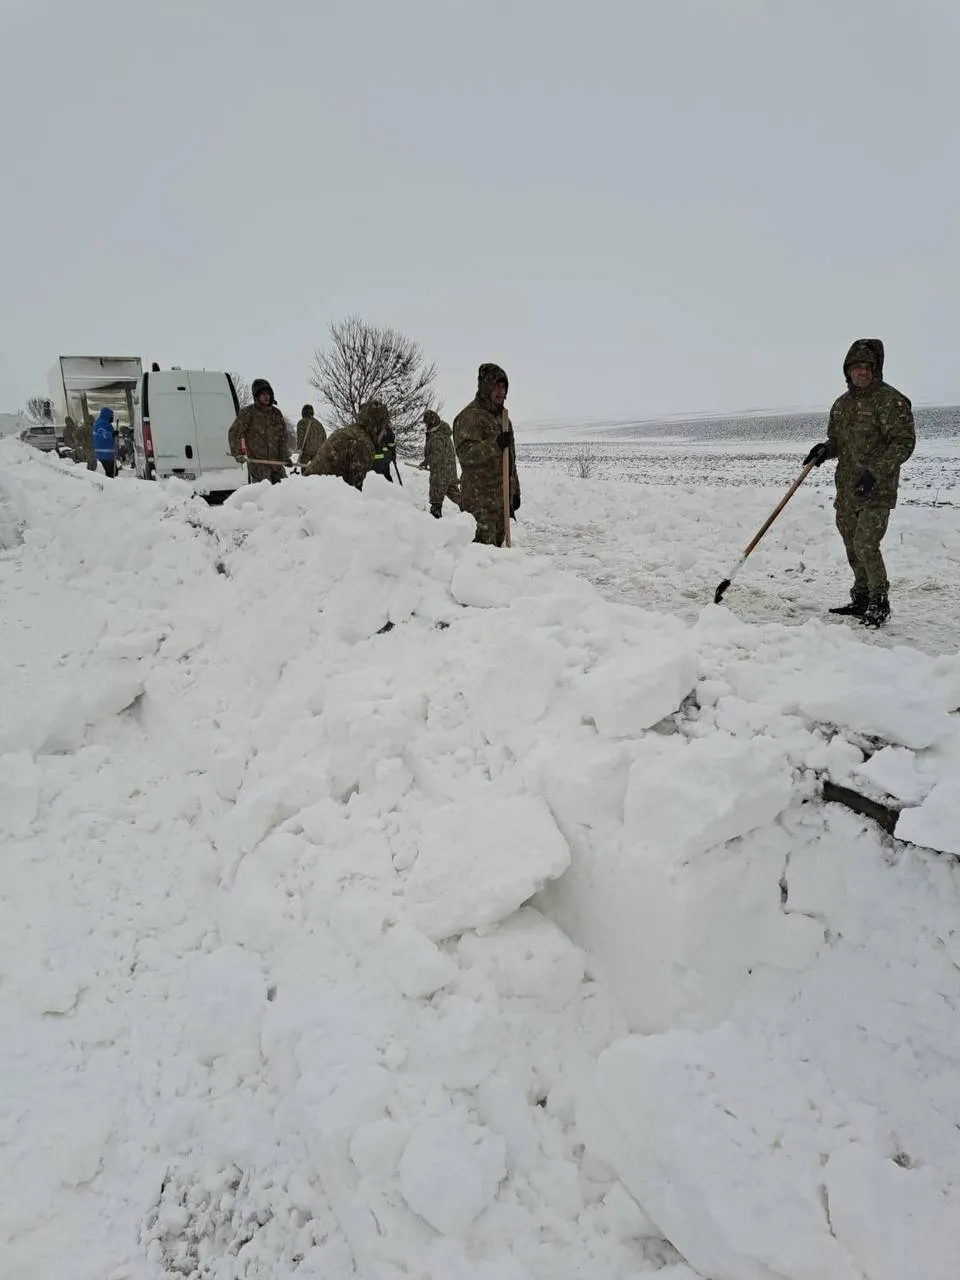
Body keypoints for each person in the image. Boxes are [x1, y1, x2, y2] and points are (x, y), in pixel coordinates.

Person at [804, 339, 915, 628]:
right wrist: (825, 451)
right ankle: (862, 597)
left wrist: (876, 472)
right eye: (856, 368)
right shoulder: (841, 405)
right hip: (848, 488)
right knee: (852, 544)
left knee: (866, 543)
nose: (862, 373)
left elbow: (903, 443)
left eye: (867, 367)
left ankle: (880, 600)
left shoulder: (891, 401)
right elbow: (838, 441)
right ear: (848, 372)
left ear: (875, 369)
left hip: (877, 488)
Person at [453, 363, 520, 546]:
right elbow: (465, 454)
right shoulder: (469, 417)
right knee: (479, 557)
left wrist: (514, 491)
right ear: (485, 387)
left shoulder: (503, 419)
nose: (500, 391)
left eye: (503, 386)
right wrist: (495, 445)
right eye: (496, 386)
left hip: (500, 502)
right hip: (479, 503)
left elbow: (510, 459)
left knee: (496, 558)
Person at [302, 400, 389, 490]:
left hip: (309, 488)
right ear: (377, 424)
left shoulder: (349, 431)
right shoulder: (363, 444)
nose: (385, 431)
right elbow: (353, 490)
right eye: (384, 425)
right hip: (321, 495)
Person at [227, 378, 290, 484]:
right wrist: (237, 453)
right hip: (259, 464)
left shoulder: (276, 413)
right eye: (263, 394)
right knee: (265, 493)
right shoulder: (248, 413)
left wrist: (285, 457)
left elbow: (283, 438)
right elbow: (235, 432)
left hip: (276, 464)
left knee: (285, 490)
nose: (266, 396)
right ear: (256, 396)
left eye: (268, 393)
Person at [422, 409, 461, 517]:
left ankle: (436, 521)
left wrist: (426, 461)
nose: (425, 425)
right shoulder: (444, 434)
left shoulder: (436, 436)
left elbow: (437, 455)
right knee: (456, 495)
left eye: (426, 423)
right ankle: (471, 513)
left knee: (436, 500)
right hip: (449, 471)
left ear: (431, 422)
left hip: (440, 473)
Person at [297, 404, 326, 468]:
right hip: (318, 452)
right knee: (315, 470)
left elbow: (300, 437)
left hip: (306, 452)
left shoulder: (302, 422)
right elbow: (324, 437)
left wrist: (299, 448)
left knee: (304, 470)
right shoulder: (319, 424)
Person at [92, 406, 117, 477]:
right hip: (104, 455)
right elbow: (103, 433)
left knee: (114, 472)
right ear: (107, 415)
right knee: (111, 474)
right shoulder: (101, 423)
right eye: (111, 416)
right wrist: (111, 434)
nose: (112, 418)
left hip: (107, 455)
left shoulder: (104, 423)